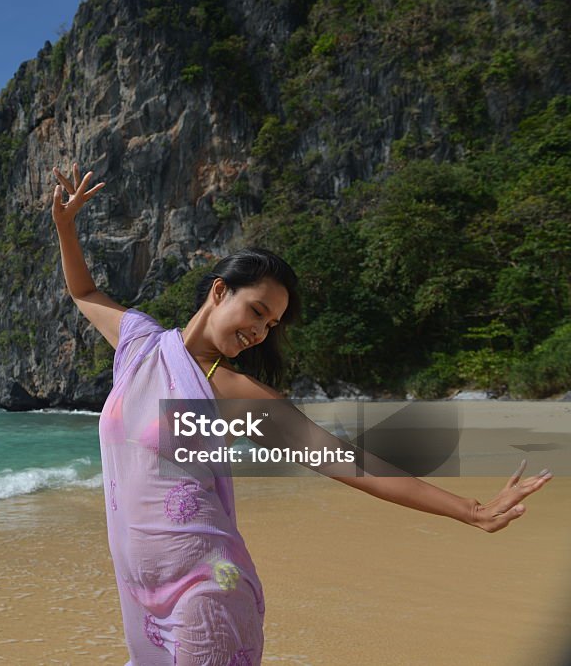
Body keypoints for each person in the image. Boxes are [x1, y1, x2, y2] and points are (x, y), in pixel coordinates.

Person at [50, 163, 553, 665]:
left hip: (207, 590)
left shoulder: (231, 392)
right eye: (257, 311)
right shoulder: (139, 344)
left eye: (271, 323)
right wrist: (66, 228)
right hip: (141, 599)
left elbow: (345, 462)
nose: (261, 332)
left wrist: (470, 510)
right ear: (220, 290)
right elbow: (85, 293)